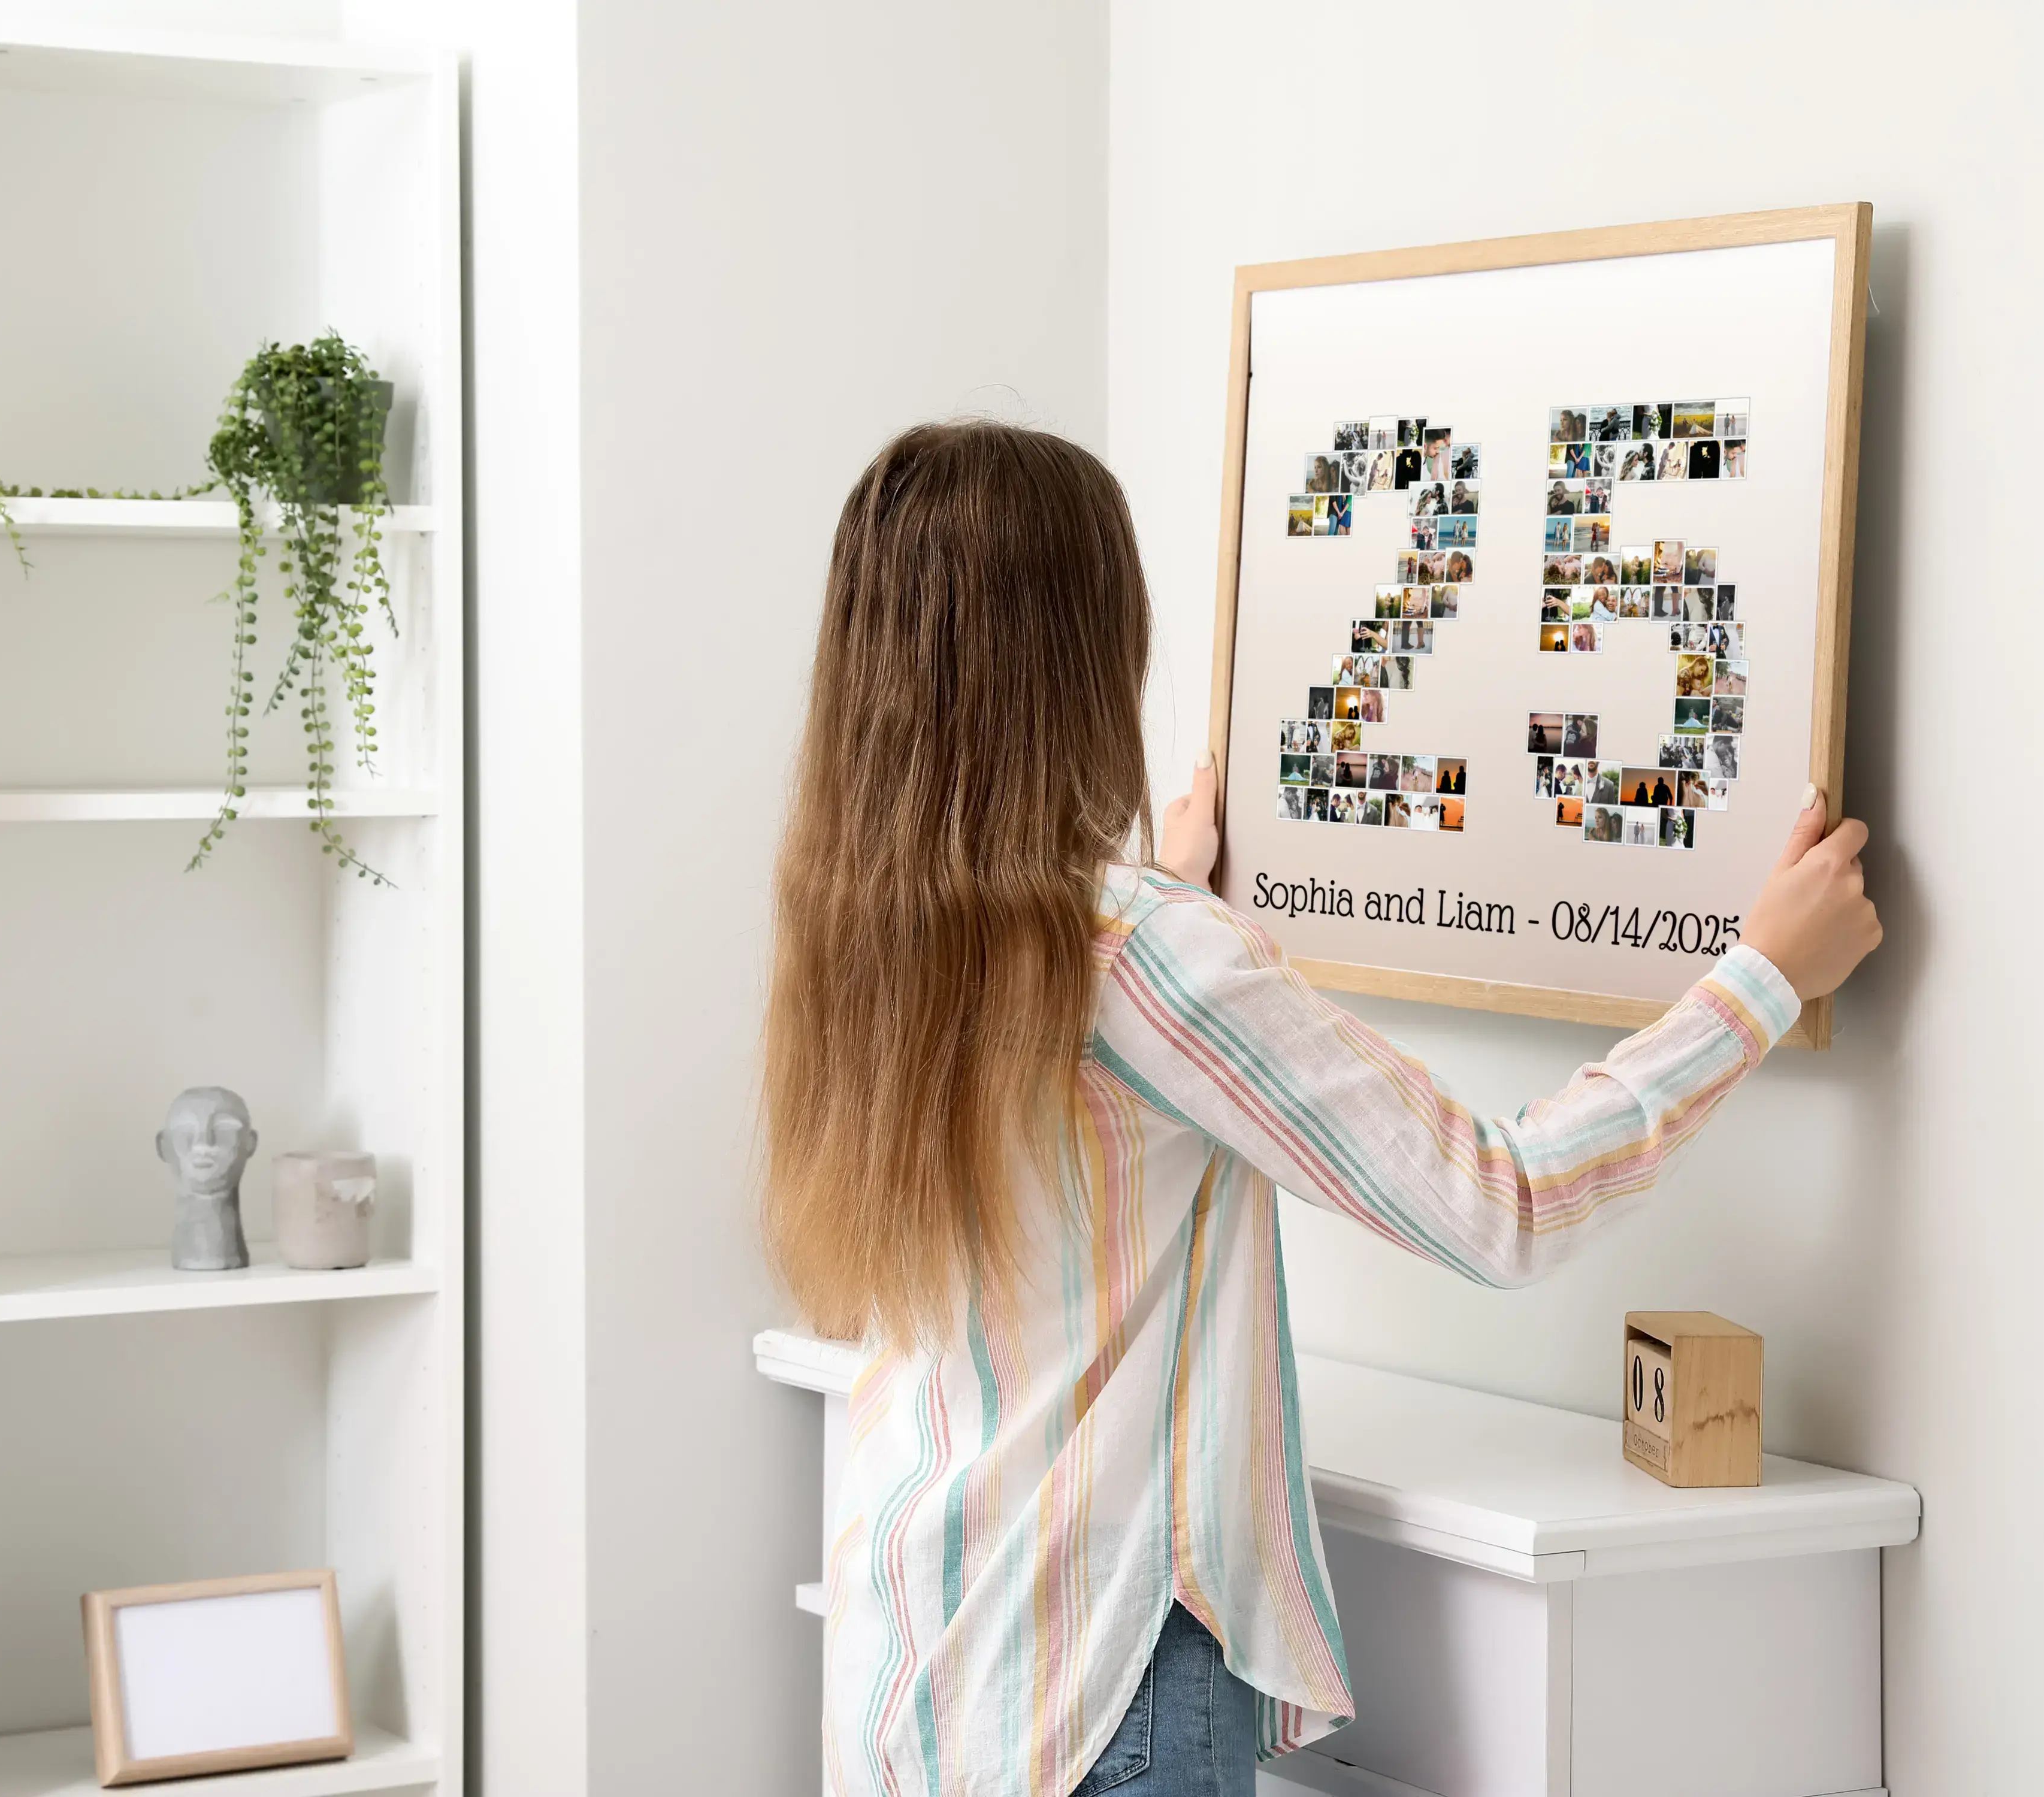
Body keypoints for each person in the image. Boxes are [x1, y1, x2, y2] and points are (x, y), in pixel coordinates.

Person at [765, 422, 1881, 1797]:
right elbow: (1503, 1204)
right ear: (1084, 653)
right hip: (1088, 1692)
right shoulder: (1138, 958)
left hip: (914, 1665)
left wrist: (1173, 898)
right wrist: (1759, 980)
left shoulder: (867, 936)